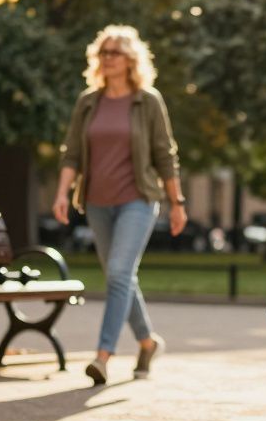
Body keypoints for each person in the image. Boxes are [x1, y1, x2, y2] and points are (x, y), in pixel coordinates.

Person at [53, 25, 185, 384]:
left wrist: (177, 202)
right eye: (103, 52)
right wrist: (62, 192)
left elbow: (165, 154)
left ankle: (103, 356)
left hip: (138, 201)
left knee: (117, 274)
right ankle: (147, 342)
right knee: (121, 277)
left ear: (130, 59)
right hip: (97, 202)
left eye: (114, 52)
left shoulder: (148, 100)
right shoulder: (88, 101)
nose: (106, 58)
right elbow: (72, 153)